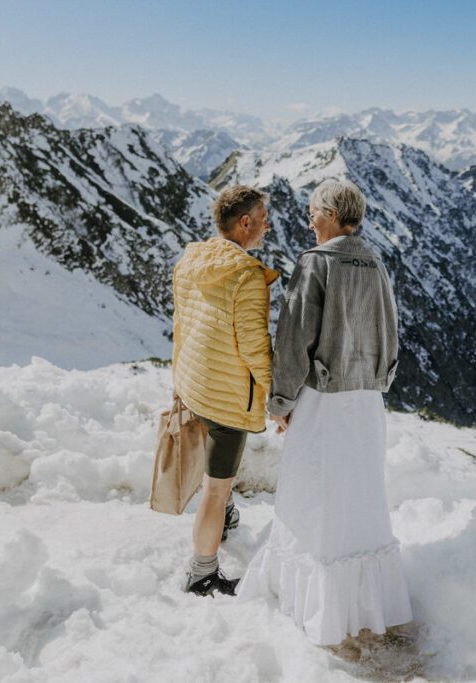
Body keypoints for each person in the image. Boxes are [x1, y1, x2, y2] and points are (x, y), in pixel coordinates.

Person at [237, 178, 412, 645]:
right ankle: (363, 604)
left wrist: (281, 401)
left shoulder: (316, 263)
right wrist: (378, 380)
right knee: (359, 497)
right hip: (367, 401)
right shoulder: (376, 263)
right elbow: (391, 332)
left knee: (311, 498)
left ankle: (314, 605)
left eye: (313, 210)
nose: (309, 218)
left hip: (324, 401)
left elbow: (294, 338)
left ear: (332, 215)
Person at [171, 184, 277, 596]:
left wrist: (179, 381)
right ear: (245, 222)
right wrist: (276, 396)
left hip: (195, 383)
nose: (267, 227)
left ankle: (226, 517)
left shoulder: (191, 260)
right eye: (264, 219)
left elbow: (181, 323)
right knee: (215, 489)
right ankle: (202, 573)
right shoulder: (246, 275)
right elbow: (254, 347)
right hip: (226, 398)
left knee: (217, 480)